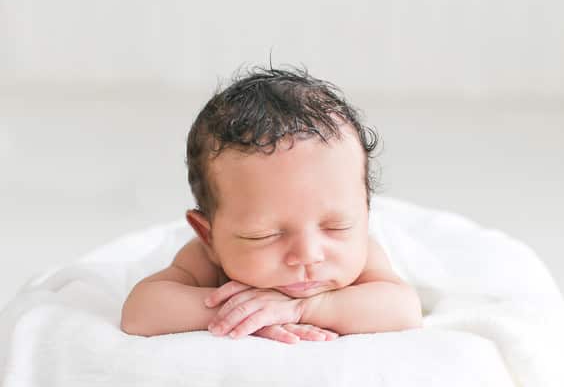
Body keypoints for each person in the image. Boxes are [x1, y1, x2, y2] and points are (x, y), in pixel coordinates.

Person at [121, 64, 423, 344]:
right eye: (264, 235)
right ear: (208, 235)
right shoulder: (205, 259)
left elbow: (403, 310)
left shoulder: (363, 255)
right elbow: (140, 311)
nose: (307, 255)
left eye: (337, 226)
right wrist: (239, 314)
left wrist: (304, 308)